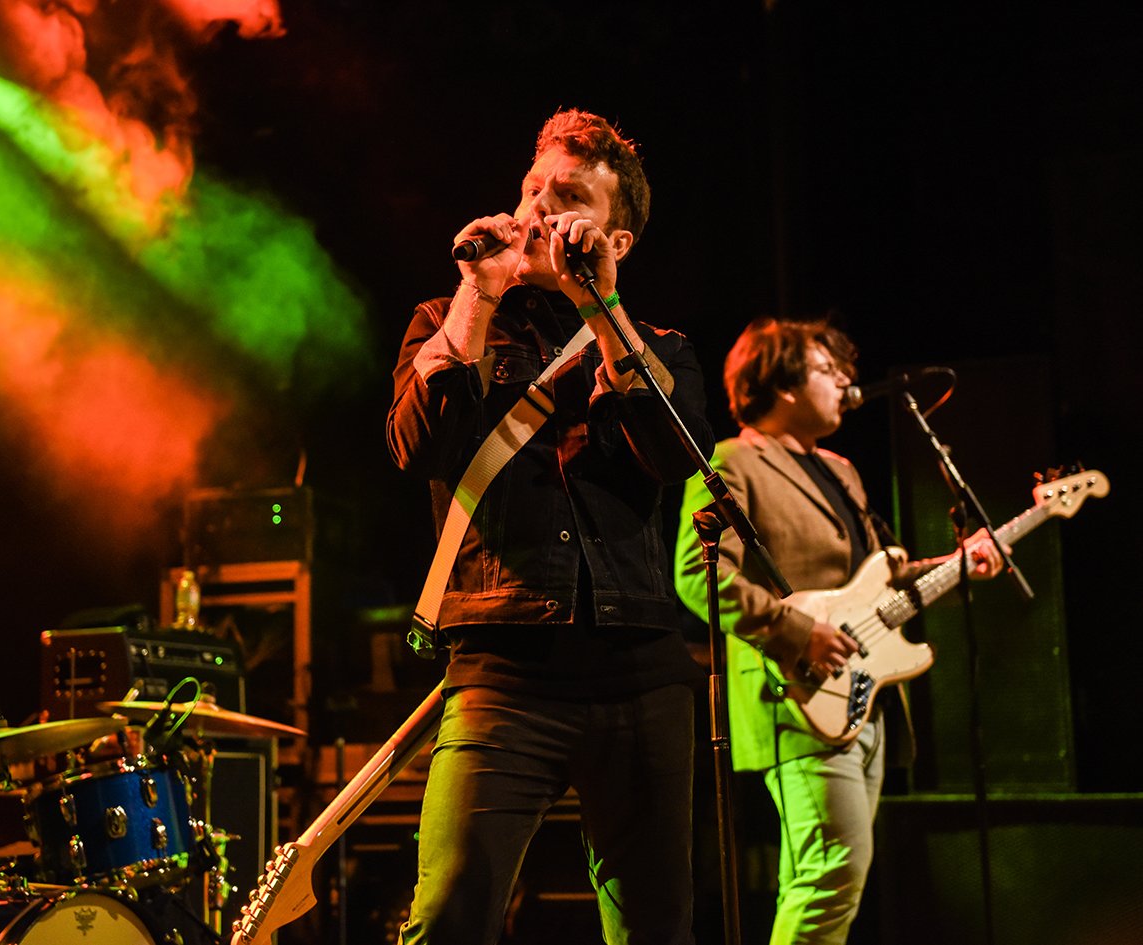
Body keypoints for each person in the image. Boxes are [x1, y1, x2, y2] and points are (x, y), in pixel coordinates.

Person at [386, 108, 714, 945]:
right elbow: (419, 444)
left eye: (567, 196)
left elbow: (677, 454)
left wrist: (602, 304)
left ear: (617, 238)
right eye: (532, 188)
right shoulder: (448, 320)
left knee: (657, 929)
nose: (537, 208)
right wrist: (479, 289)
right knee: (447, 917)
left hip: (640, 673)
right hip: (503, 672)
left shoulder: (659, 346)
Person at [673, 318, 1005, 944]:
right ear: (783, 384)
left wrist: (958, 564)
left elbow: (883, 576)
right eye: (827, 370)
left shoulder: (842, 469)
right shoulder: (732, 462)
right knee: (833, 873)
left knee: (829, 878)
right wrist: (798, 632)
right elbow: (699, 575)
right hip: (794, 696)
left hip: (864, 696)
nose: (846, 382)